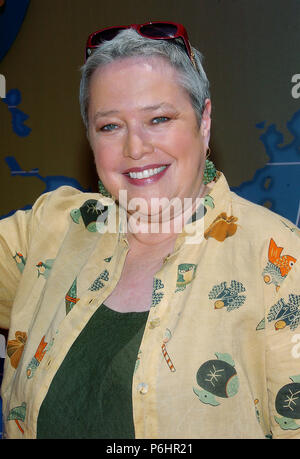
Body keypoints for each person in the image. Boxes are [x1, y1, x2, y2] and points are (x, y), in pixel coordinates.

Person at [0, 21, 299, 440]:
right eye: (109, 126)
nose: (135, 148)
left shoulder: (279, 257)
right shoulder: (52, 227)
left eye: (158, 119)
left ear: (204, 120)